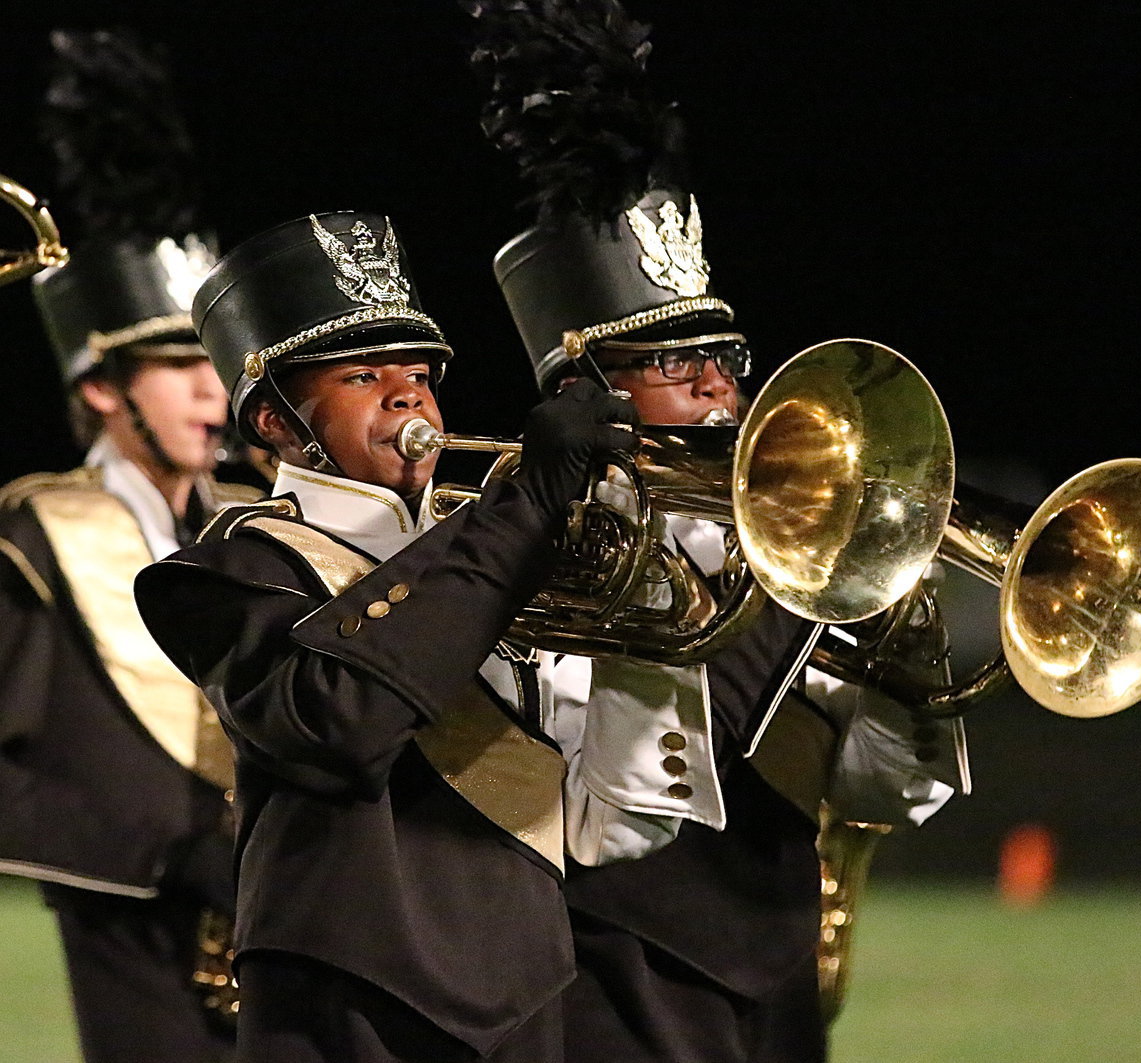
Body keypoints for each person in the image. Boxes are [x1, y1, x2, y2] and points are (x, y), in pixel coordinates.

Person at [470, 2, 968, 1059]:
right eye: (670, 363)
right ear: (581, 388)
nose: (716, 388)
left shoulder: (787, 556)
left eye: (725, 357)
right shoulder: (517, 558)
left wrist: (904, 663)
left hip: (776, 984)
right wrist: (737, 616)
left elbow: (881, 790)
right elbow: (610, 824)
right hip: (603, 983)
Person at [133, 210, 734, 1063]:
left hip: (527, 991)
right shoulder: (226, 569)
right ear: (273, 421)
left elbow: (610, 826)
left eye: (419, 372)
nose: (408, 393)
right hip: (344, 1002)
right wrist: (522, 510)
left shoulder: (497, 547)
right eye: (362, 374)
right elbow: (337, 720)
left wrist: (651, 616)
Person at [0, 29, 252, 1063]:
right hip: (131, 935)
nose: (213, 389)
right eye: (179, 365)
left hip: (270, 930)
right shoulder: (33, 534)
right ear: (103, 388)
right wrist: (169, 853)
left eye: (217, 362)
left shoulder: (248, 522)